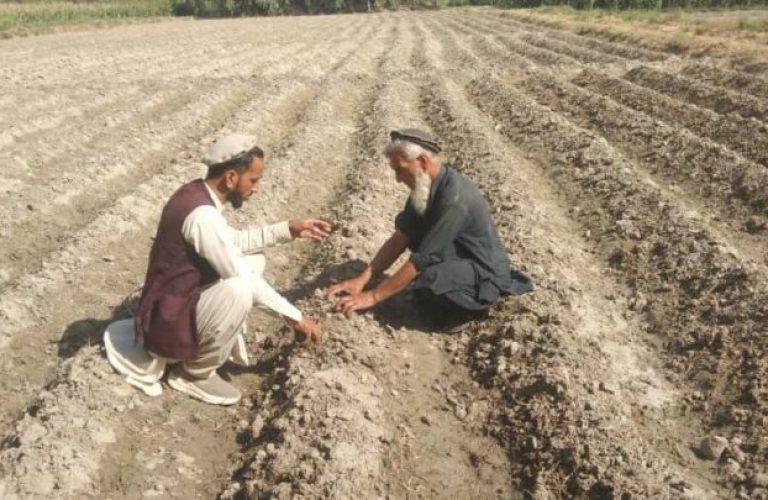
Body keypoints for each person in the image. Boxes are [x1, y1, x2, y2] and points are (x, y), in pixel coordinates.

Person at [104, 134, 330, 405]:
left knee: (254, 261)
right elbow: (239, 275)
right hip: (166, 321)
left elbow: (233, 243)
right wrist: (296, 317)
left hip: (174, 303)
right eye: (254, 180)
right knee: (240, 288)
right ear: (231, 178)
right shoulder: (202, 216)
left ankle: (209, 342)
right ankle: (194, 374)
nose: (256, 188)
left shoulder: (196, 194)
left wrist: (287, 230)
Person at [328, 128, 532, 331]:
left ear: (423, 162)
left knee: (429, 279)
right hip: (456, 256)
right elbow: (401, 237)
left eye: (400, 169)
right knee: (422, 278)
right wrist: (363, 279)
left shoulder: (454, 198)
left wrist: (373, 297)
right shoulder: (423, 187)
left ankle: (469, 311)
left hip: (484, 272)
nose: (398, 179)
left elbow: (421, 259)